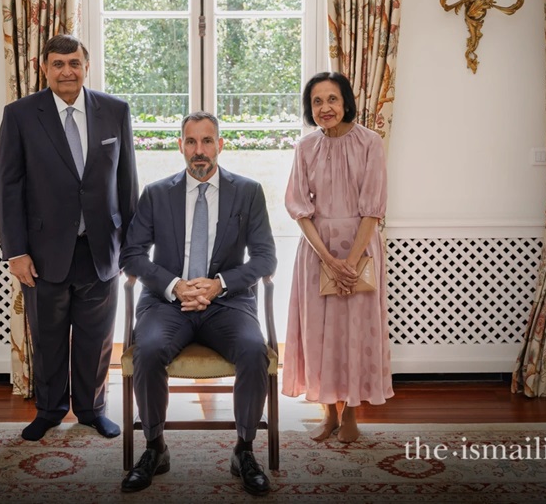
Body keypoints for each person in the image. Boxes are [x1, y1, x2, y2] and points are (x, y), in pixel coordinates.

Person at [119, 112, 276, 496]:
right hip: (167, 303)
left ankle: (244, 449)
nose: (199, 151)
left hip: (227, 303)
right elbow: (132, 255)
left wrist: (219, 284)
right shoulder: (157, 193)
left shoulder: (248, 191)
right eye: (191, 142)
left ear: (220, 145)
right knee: (150, 348)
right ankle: (155, 447)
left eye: (207, 141)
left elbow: (264, 258)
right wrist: (174, 286)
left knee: (256, 350)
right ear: (180, 146)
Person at [0, 34, 138, 441]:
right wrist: (16, 251)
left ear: (86, 66)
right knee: (48, 337)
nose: (67, 71)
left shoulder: (115, 111)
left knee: (96, 338)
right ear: (44, 69)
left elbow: (127, 182)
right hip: (42, 252)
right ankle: (50, 410)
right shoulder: (21, 115)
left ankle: (92, 410)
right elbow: (8, 186)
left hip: (101, 249)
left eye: (74, 63)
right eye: (57, 64)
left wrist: (133, 248)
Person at [282, 72, 393, 444]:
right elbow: (300, 209)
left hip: (360, 247)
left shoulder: (370, 143)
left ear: (346, 101)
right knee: (319, 334)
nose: (324, 108)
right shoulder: (304, 148)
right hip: (317, 252)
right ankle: (328, 413)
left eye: (332, 99)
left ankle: (351, 417)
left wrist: (351, 261)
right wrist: (329, 259)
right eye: (316, 101)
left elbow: (373, 211)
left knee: (355, 333)